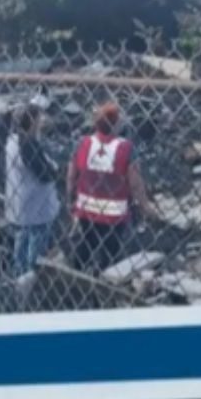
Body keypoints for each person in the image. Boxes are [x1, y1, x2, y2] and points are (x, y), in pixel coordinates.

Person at [66, 102, 157, 272]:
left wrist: (71, 198)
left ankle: (77, 273)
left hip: (86, 209)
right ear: (115, 124)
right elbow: (135, 183)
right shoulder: (126, 148)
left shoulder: (83, 143)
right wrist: (145, 207)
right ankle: (105, 278)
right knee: (111, 250)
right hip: (114, 213)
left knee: (87, 242)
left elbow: (71, 175)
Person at [4, 103, 59, 280]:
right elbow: (45, 174)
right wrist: (56, 169)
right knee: (35, 249)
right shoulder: (27, 145)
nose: (41, 121)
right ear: (32, 121)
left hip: (21, 203)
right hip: (36, 206)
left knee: (21, 242)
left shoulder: (11, 140)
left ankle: (18, 278)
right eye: (38, 118)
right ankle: (30, 282)